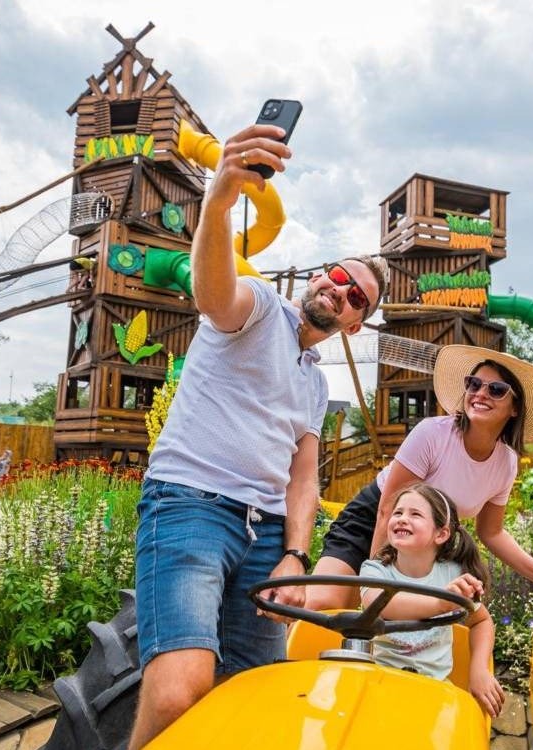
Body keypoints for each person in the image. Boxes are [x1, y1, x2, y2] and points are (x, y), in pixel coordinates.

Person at [126, 119, 388, 750]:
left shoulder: (316, 385)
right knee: (178, 688)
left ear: (355, 325)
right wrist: (218, 200)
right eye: (336, 273)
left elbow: (304, 477)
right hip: (190, 503)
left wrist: (296, 553)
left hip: (266, 529)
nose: (338, 287)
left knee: (255, 687)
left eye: (356, 295)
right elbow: (211, 291)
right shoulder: (259, 308)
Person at [308, 344, 533, 611]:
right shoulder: (433, 434)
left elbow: (491, 532)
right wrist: (380, 579)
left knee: (418, 623)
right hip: (373, 519)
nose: (481, 393)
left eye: (497, 389)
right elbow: (387, 510)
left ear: (515, 407)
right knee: (325, 605)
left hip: (428, 544)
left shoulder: (506, 462)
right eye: (474, 384)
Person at [360, 483, 505, 718]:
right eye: (398, 513)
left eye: (415, 514)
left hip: (435, 688)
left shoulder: (452, 575)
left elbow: (481, 621)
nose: (402, 519)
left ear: (441, 533)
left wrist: (479, 670)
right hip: (380, 681)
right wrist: (441, 603)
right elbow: (380, 604)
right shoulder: (375, 571)